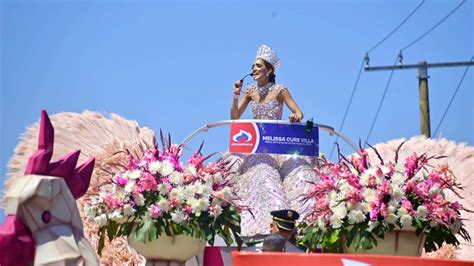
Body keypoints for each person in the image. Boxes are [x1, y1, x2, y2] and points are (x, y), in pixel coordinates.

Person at [228, 44, 319, 241]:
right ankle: (254, 227)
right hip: (256, 146)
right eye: (252, 66)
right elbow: (235, 117)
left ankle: (294, 226)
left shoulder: (280, 90)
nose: (253, 69)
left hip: (278, 144)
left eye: (258, 66)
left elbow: (298, 111)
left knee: (297, 175)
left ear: (269, 70)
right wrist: (236, 95)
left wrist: (295, 116)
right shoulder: (250, 91)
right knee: (257, 174)